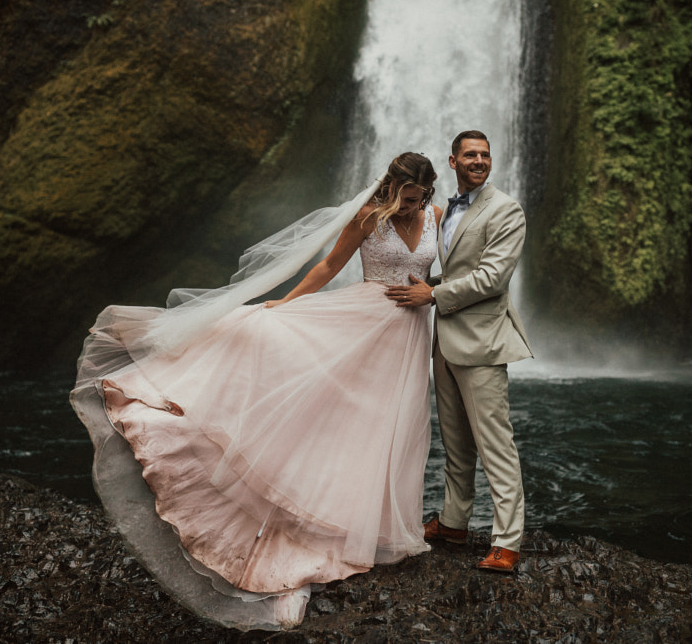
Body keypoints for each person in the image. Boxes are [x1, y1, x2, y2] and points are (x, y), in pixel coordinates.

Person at [70, 152, 442, 631]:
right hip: (363, 320)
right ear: (391, 191)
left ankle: (373, 527)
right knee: (343, 417)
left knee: (387, 424)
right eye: (407, 199)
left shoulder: (435, 216)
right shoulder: (370, 218)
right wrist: (286, 304)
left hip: (409, 333)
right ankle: (311, 516)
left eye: (421, 198)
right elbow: (330, 266)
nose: (413, 207)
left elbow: (449, 269)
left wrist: (431, 291)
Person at [387, 130, 532, 572]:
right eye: (470, 154)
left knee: (495, 444)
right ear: (452, 162)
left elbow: (492, 278)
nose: (480, 160)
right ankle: (453, 521)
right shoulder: (445, 208)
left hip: (483, 341)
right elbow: (455, 267)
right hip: (444, 339)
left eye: (485, 155)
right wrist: (429, 290)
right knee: (456, 441)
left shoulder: (506, 210)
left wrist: (432, 295)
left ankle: (507, 541)